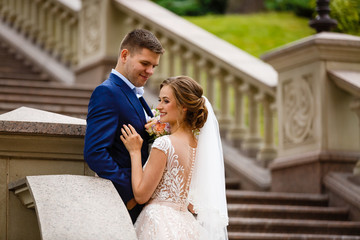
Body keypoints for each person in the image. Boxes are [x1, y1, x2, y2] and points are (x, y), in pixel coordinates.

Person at [120, 76, 229, 239]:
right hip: (185, 222)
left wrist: (135, 152)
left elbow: (141, 195)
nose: (159, 107)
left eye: (165, 101)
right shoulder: (197, 145)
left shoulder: (164, 144)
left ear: (184, 106)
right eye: (160, 100)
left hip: (158, 222)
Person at [83, 29, 165, 223]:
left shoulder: (135, 93)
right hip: (126, 204)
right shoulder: (107, 92)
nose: (150, 71)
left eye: (154, 66)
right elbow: (95, 152)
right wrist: (130, 194)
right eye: (145, 63)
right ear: (125, 55)